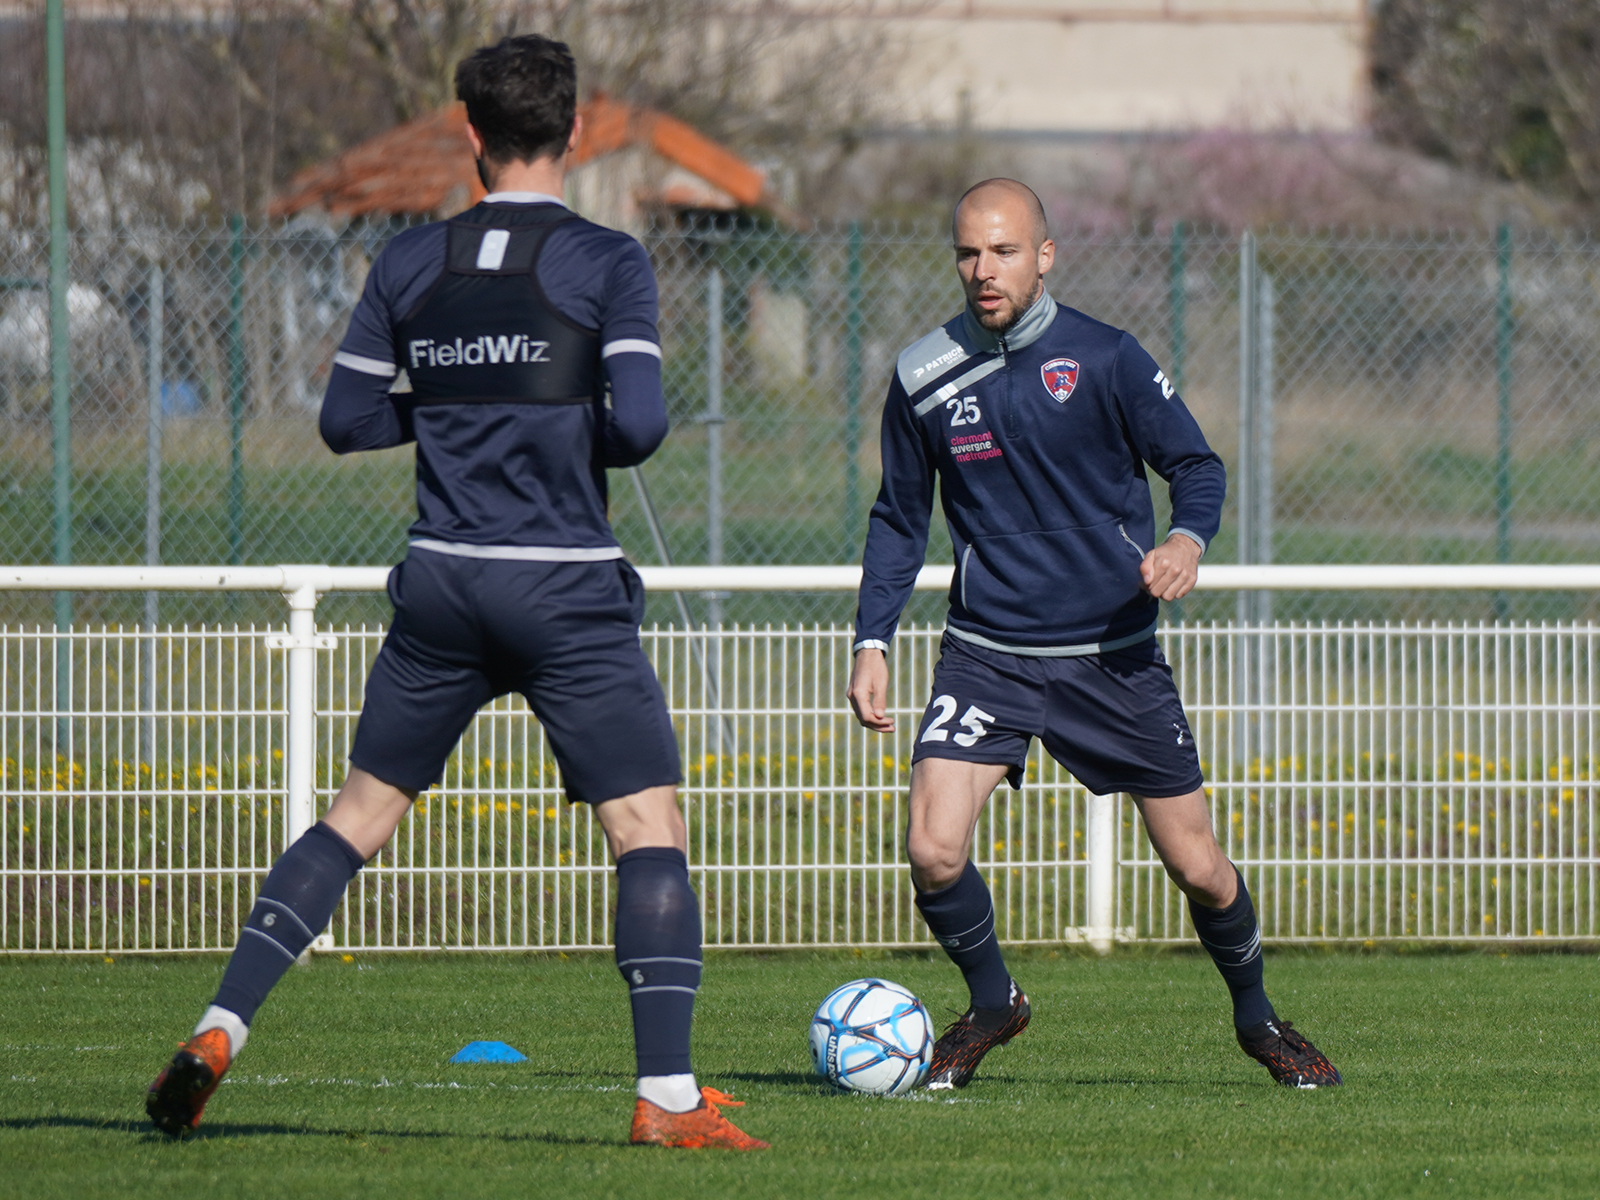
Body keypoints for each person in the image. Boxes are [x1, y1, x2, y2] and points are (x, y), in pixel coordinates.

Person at [144, 35, 767, 1151]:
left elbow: (345, 421)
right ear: (576, 131)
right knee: (647, 826)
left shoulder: (407, 261)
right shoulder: (609, 259)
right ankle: (667, 1100)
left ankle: (219, 1026)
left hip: (441, 582)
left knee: (355, 817)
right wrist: (554, 410)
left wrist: (450, 403)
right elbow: (638, 426)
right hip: (562, 587)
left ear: (469, 133)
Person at [847, 178, 1341, 1091]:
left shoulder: (1107, 357)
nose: (983, 270)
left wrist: (1186, 540)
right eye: (968, 252)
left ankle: (1258, 1017)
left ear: (1044, 256)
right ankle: (993, 1002)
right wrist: (871, 640)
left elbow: (1196, 464)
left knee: (1198, 866)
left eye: (1003, 251)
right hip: (988, 653)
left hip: (1112, 658)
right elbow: (898, 518)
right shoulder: (922, 374)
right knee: (932, 848)